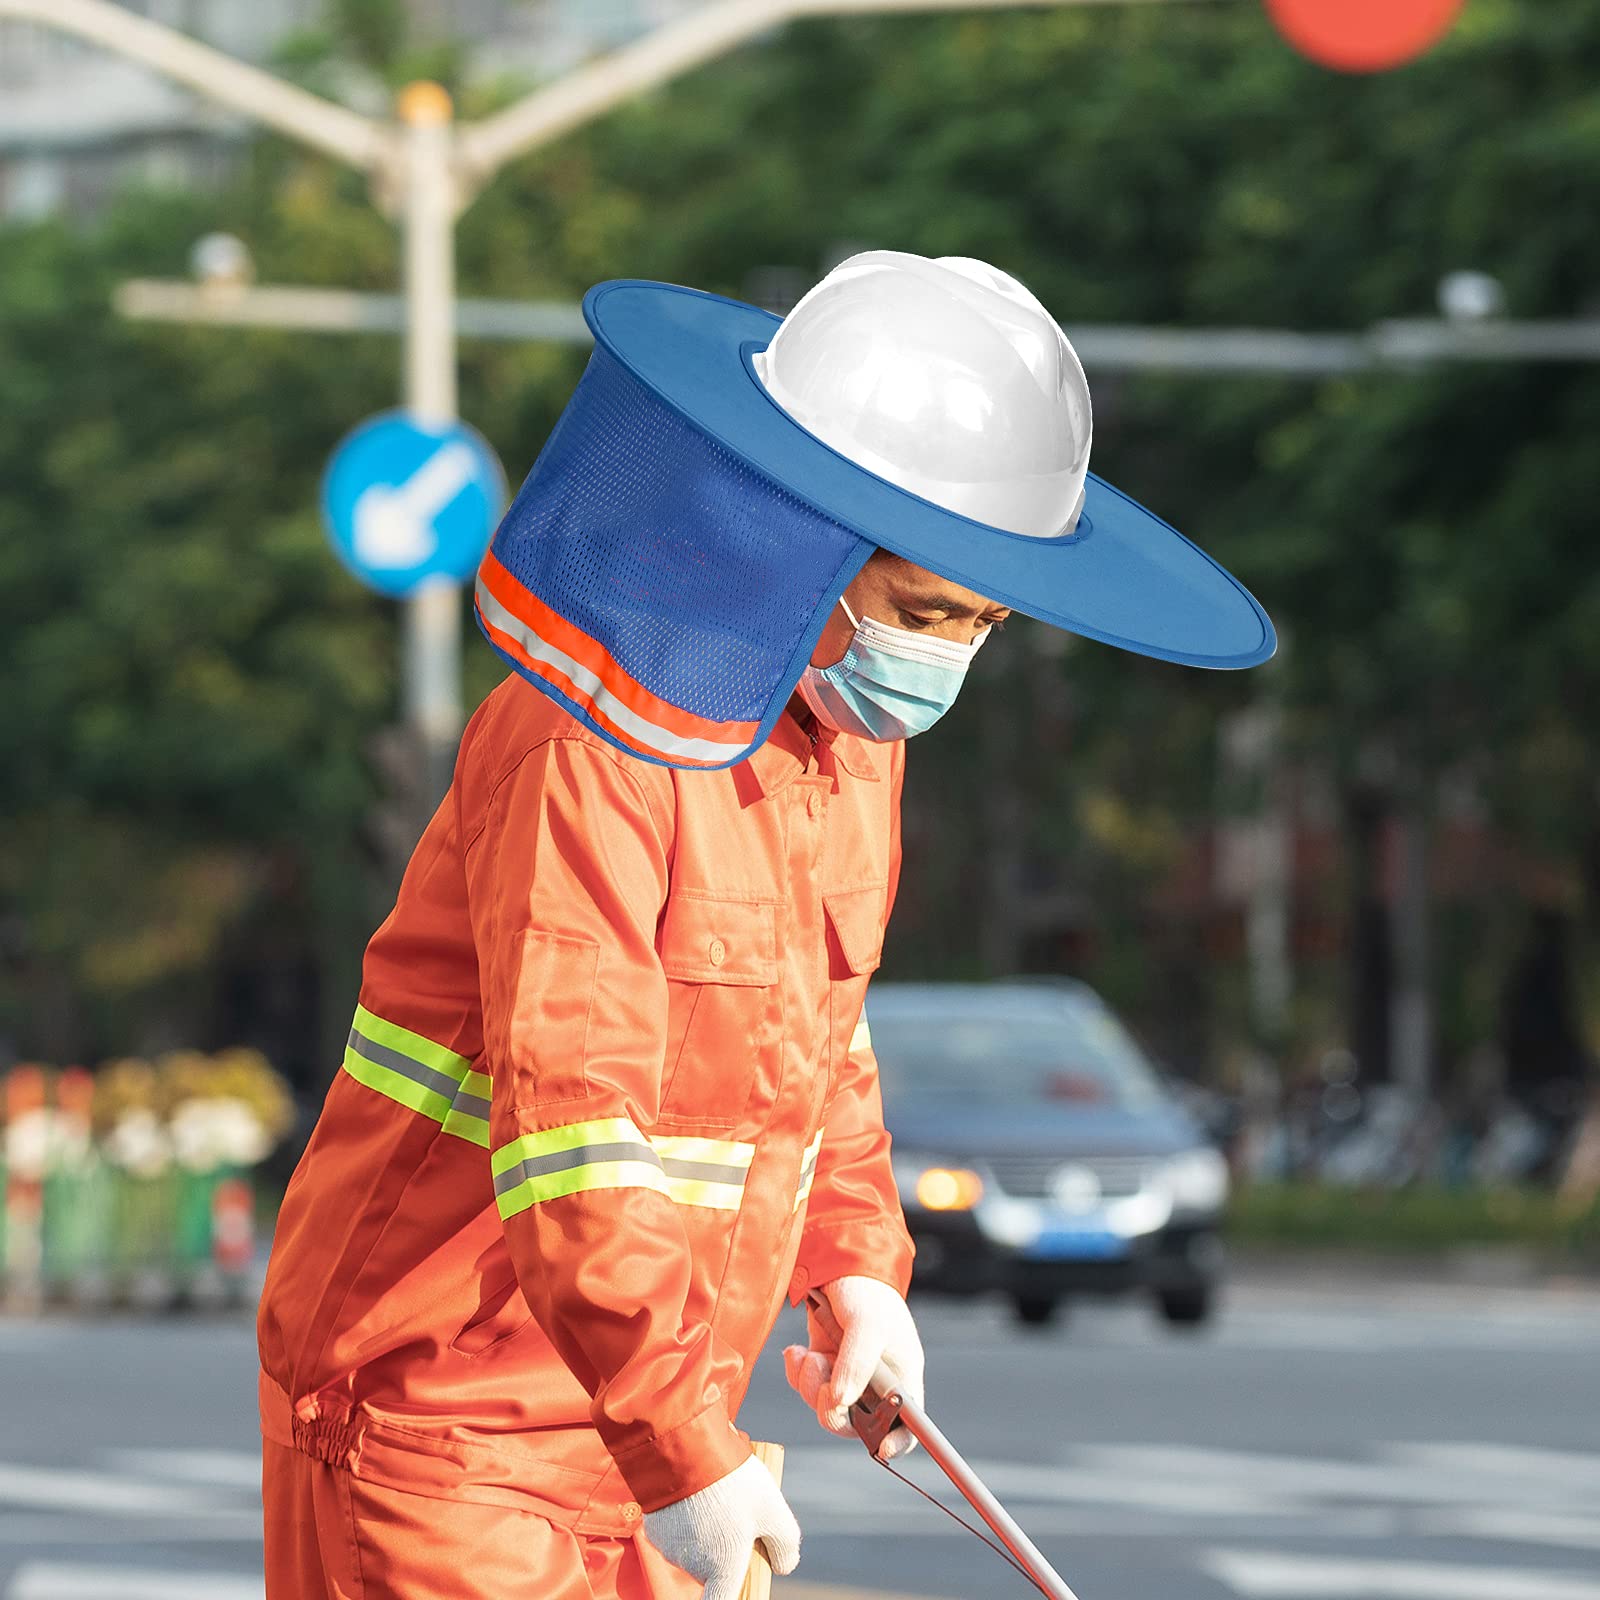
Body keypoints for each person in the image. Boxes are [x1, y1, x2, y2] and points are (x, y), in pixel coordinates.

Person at [258, 251, 1273, 1600]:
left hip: (648, 1420)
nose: (946, 656)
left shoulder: (852, 742)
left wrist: (857, 1270)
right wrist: (685, 1446)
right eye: (924, 610)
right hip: (448, 1422)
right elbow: (575, 1126)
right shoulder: (591, 738)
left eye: (980, 620)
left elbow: (817, 1045)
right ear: (798, 540)